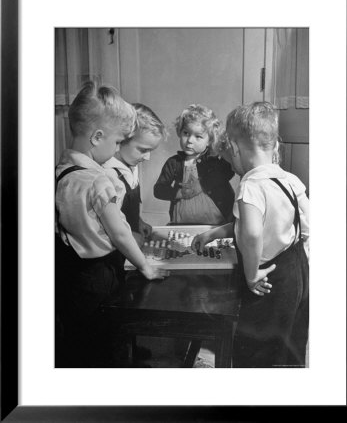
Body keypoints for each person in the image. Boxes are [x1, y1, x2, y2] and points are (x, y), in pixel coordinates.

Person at [55, 82, 169, 367]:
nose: (118, 148)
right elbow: (119, 231)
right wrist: (144, 265)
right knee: (108, 339)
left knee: (80, 337)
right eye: (118, 142)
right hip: (99, 275)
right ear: (97, 137)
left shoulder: (63, 170)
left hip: (70, 273)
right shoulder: (98, 181)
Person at [192, 102, 309, 368]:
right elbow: (306, 224)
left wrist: (251, 273)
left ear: (234, 147)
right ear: (274, 145)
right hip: (296, 271)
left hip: (267, 275)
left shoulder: (251, 185)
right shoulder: (289, 179)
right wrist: (215, 233)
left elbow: (253, 232)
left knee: (256, 349)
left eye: (230, 156)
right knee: (289, 342)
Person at [154, 104, 235, 224]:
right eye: (186, 133)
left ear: (210, 141)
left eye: (198, 136)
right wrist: (179, 193)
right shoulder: (173, 163)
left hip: (215, 224)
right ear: (179, 132)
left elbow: (228, 172)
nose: (190, 140)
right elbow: (159, 190)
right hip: (181, 222)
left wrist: (202, 185)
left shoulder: (215, 160)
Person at [103, 103, 167, 245]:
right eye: (143, 150)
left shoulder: (131, 166)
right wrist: (130, 236)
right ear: (121, 141)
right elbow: (104, 225)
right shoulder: (108, 174)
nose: (147, 157)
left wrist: (138, 221)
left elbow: (126, 209)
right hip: (116, 246)